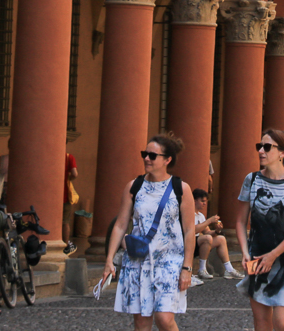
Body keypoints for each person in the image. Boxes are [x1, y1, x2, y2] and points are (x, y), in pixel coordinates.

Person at [104, 133, 195, 331]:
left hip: (169, 262)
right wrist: (109, 259)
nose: (146, 158)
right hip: (138, 262)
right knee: (142, 323)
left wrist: (187, 268)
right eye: (144, 154)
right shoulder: (134, 186)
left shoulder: (181, 188)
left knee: (164, 319)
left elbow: (189, 230)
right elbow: (120, 225)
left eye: (152, 155)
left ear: (167, 160)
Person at [235, 129, 284, 331]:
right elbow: (240, 222)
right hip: (257, 257)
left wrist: (273, 255)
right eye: (259, 146)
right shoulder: (251, 180)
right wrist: (244, 252)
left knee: (282, 323)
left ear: (282, 153)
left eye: (267, 147)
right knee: (261, 323)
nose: (261, 151)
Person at [192, 188, 242, 281]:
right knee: (207, 238)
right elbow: (192, 230)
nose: (205, 204)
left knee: (221, 239)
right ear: (194, 201)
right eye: (202, 201)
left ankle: (229, 269)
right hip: (188, 243)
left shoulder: (201, 215)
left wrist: (217, 231)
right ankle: (202, 269)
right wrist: (209, 221)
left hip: (198, 244)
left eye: (205, 201)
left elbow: (207, 232)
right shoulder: (189, 213)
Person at [62, 151, 79, 255]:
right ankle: (66, 245)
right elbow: (74, 173)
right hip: (65, 196)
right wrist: (69, 178)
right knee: (65, 221)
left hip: (51, 195)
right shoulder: (69, 157)